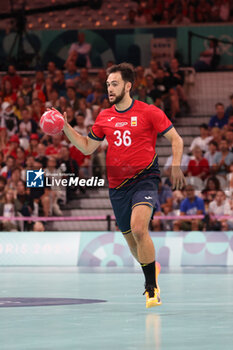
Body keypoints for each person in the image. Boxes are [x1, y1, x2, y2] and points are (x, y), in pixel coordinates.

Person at [60, 62, 185, 308]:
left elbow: (176, 138)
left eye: (114, 83)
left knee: (139, 230)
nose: (110, 88)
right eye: (107, 84)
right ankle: (153, 268)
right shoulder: (104, 116)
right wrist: (65, 128)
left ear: (128, 86)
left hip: (145, 178)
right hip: (117, 187)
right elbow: (87, 147)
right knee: (133, 243)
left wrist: (177, 165)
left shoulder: (149, 112)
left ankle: (151, 289)